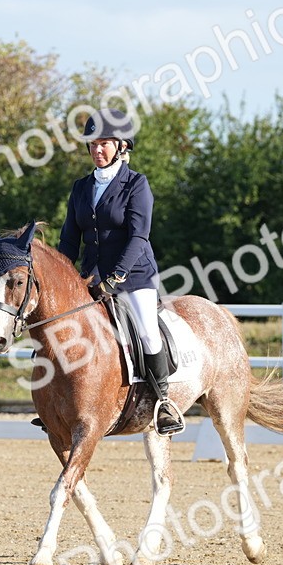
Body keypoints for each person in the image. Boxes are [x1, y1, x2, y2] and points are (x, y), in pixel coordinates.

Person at [57, 109, 185, 435]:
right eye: (92, 144)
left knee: (147, 331)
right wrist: (61, 278)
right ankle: (55, 402)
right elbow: (69, 240)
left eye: (104, 143)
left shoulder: (136, 184)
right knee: (61, 328)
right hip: (90, 277)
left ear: (121, 146)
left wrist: (115, 278)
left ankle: (163, 402)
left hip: (134, 275)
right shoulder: (81, 187)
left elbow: (138, 236)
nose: (97, 150)